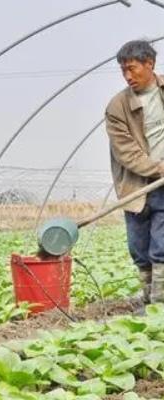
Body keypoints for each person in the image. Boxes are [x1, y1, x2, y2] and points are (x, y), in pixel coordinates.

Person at [106, 39, 164, 305]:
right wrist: (158, 168)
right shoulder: (117, 107)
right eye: (123, 71)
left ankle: (160, 297)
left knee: (161, 244)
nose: (128, 76)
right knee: (138, 247)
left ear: (149, 64)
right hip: (136, 186)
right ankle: (147, 292)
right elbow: (125, 151)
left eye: (132, 68)